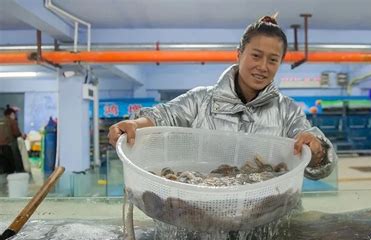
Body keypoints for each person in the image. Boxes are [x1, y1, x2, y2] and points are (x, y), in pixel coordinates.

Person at [108, 15, 336, 180]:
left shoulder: (288, 111)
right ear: (239, 54)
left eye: (273, 60)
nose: (263, 67)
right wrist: (134, 124)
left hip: (270, 221)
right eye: (256, 56)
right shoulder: (201, 100)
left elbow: (317, 163)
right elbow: (166, 115)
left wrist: (317, 151)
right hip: (203, 215)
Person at [0, 105, 23, 174]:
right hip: (8, 146)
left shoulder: (1, 120)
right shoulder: (12, 121)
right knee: (14, 162)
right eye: (14, 114)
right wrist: (22, 135)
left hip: (0, 147)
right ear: (11, 114)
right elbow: (16, 133)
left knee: (3, 164)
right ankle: (17, 172)